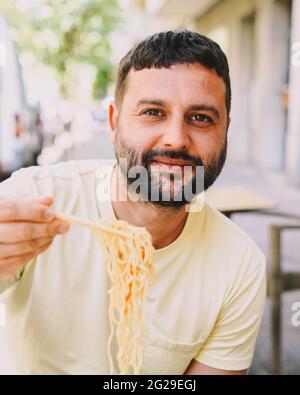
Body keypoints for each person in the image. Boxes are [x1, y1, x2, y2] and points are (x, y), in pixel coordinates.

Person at [0, 30, 266, 375]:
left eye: (200, 117)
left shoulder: (239, 264)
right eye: (153, 112)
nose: (175, 139)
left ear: (225, 130)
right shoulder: (34, 198)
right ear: (114, 123)